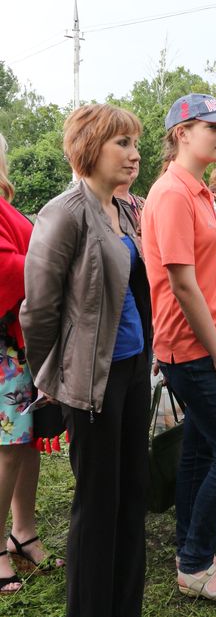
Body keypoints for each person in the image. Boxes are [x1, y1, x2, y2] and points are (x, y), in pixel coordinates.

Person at [21, 104, 151, 615]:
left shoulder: (123, 209)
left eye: (135, 143)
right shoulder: (65, 211)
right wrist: (51, 377)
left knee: (132, 494)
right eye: (122, 142)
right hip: (91, 379)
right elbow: (39, 309)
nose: (134, 154)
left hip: (134, 368)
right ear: (89, 147)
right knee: (98, 503)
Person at [141, 93, 216, 603]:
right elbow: (182, 284)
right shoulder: (171, 194)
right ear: (182, 133)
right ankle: (194, 564)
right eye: (213, 126)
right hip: (194, 349)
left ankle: (192, 550)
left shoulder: (201, 191)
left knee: (201, 452)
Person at [0, 133, 63, 596]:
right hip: (4, 343)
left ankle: (22, 533)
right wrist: (53, 258)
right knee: (7, 448)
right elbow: (6, 269)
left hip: (18, 343)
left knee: (25, 442)